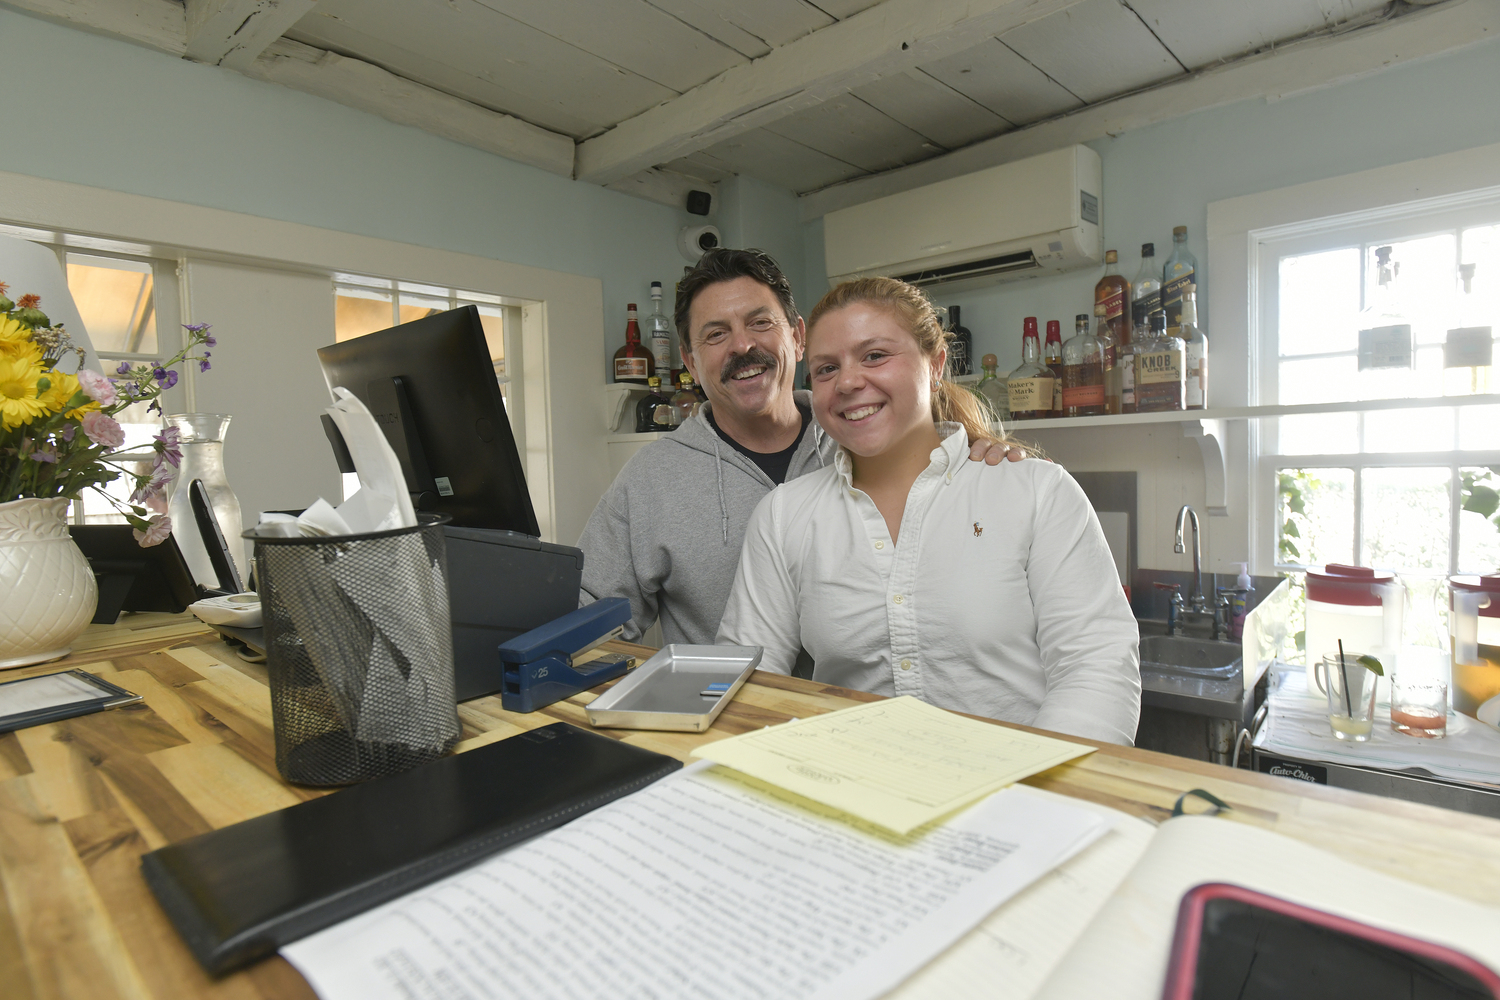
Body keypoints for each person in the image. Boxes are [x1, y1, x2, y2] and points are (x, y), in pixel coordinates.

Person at [717, 277, 1141, 745]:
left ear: (935, 365)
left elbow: (1097, 667)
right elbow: (748, 681)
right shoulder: (783, 516)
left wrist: (1033, 797)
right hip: (855, 794)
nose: (849, 381)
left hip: (1020, 796)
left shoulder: (1036, 491)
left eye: (875, 355)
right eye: (825, 369)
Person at [578, 249, 1027, 647]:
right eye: (715, 335)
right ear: (691, 362)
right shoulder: (652, 479)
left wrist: (978, 463)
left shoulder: (865, 432)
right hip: (736, 720)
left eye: (759, 322)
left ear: (797, 336)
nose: (742, 345)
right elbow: (589, 618)